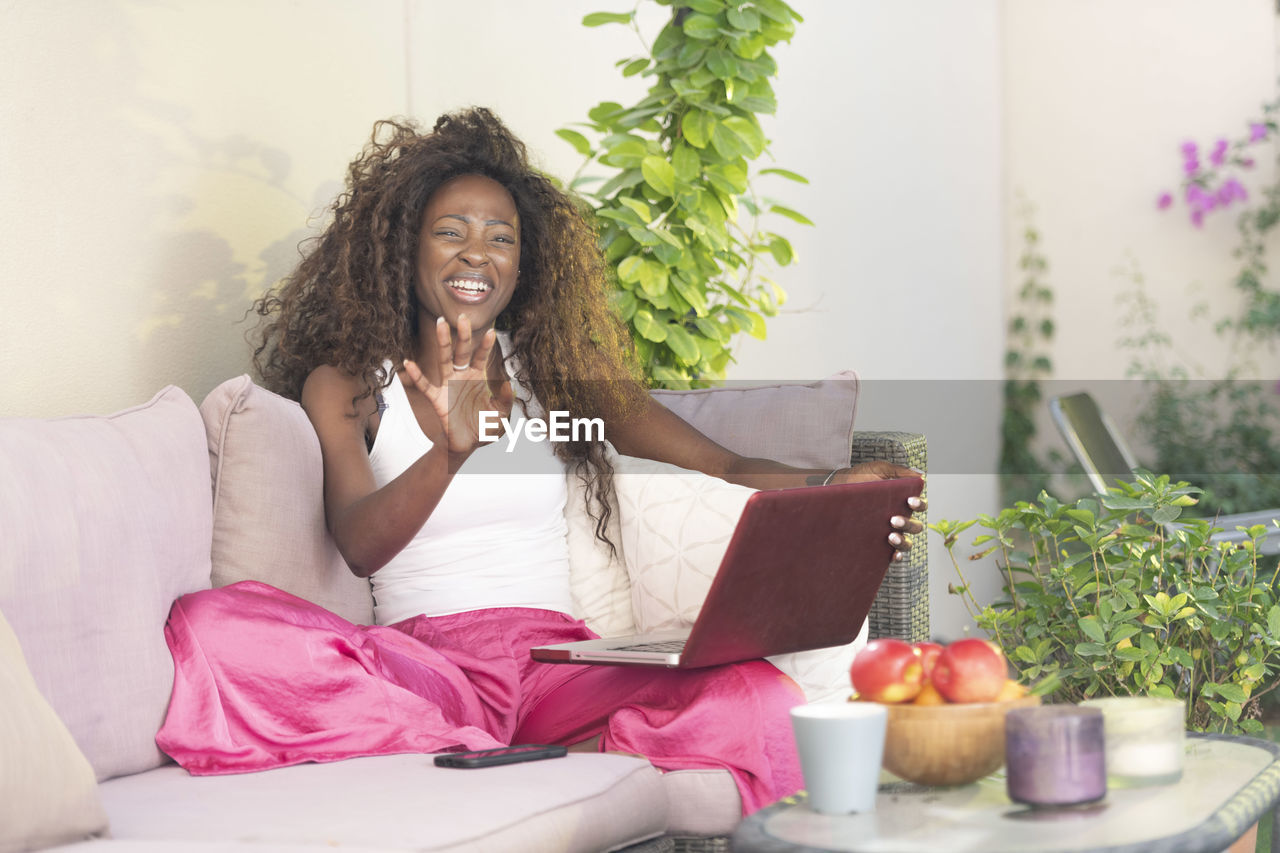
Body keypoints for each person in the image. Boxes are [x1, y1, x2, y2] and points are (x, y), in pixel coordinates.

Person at [155, 107, 924, 815]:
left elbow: (719, 462)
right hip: (431, 669)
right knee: (215, 623)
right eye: (450, 230)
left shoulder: (551, 376)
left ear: (523, 266)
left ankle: (518, 753)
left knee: (757, 693)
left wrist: (831, 485)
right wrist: (448, 455)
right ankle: (501, 749)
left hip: (557, 661)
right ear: (404, 246)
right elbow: (357, 542)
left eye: (500, 237)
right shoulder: (350, 381)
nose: (476, 255)